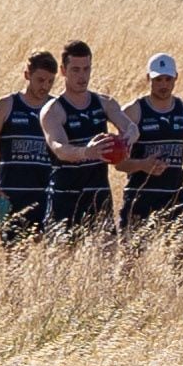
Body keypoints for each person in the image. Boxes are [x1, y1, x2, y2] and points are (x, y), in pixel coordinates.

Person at [116, 53, 183, 243]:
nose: (163, 85)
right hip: (140, 197)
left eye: (168, 79)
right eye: (158, 79)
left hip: (174, 195)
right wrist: (142, 165)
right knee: (132, 259)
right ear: (148, 78)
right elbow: (118, 163)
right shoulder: (133, 111)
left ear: (175, 78)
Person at [40, 42, 120, 241]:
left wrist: (126, 140)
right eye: (75, 70)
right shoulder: (53, 110)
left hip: (98, 195)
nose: (82, 76)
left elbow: (131, 128)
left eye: (86, 69)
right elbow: (59, 148)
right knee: (63, 263)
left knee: (106, 260)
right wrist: (87, 152)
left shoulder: (104, 103)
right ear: (63, 71)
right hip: (65, 196)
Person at [0, 51, 64, 242]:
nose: (44, 87)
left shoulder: (58, 109)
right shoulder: (4, 106)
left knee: (48, 256)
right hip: (9, 196)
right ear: (27, 75)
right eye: (40, 80)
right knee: (12, 257)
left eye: (50, 82)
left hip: (48, 195)